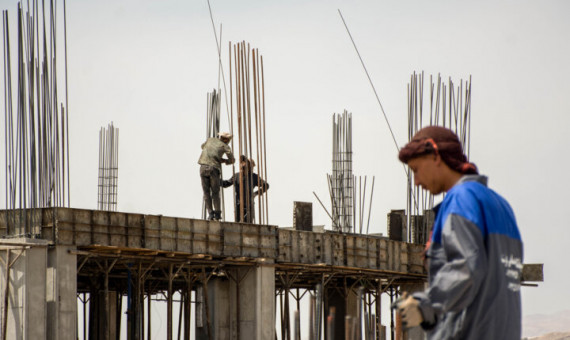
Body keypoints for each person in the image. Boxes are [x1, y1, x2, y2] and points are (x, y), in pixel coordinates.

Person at [394, 126, 523, 340]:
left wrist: (425, 306)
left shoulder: (462, 199)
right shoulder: (501, 206)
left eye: (416, 169)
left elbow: (466, 266)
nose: (416, 181)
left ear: (435, 155)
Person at [198, 132, 234, 221]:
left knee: (206, 192)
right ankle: (217, 213)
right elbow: (232, 160)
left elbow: (203, 147)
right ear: (226, 139)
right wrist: (225, 161)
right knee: (215, 192)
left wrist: (214, 154)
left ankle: (210, 213)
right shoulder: (225, 146)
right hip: (214, 169)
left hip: (203, 167)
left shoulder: (210, 140)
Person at [222, 156, 269, 223]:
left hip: (249, 205)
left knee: (248, 225)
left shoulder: (254, 177)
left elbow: (266, 185)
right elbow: (226, 184)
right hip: (239, 205)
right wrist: (217, 181)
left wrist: (256, 193)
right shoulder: (237, 176)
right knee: (238, 225)